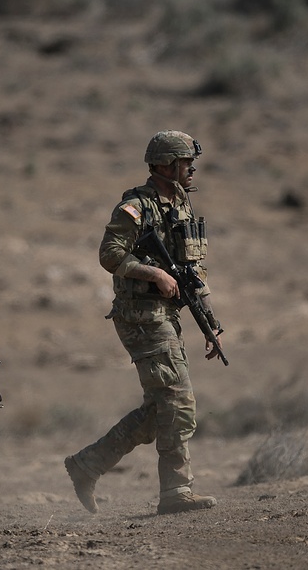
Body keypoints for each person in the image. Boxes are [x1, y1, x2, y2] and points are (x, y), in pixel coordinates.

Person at [65, 131, 220, 516]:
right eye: (185, 162)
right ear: (166, 165)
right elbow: (109, 254)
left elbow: (191, 273)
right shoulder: (135, 208)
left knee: (159, 412)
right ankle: (175, 493)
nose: (191, 169)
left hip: (166, 316)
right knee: (178, 401)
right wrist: (154, 274)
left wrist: (210, 325)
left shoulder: (181, 206)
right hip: (141, 315)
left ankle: (88, 464)